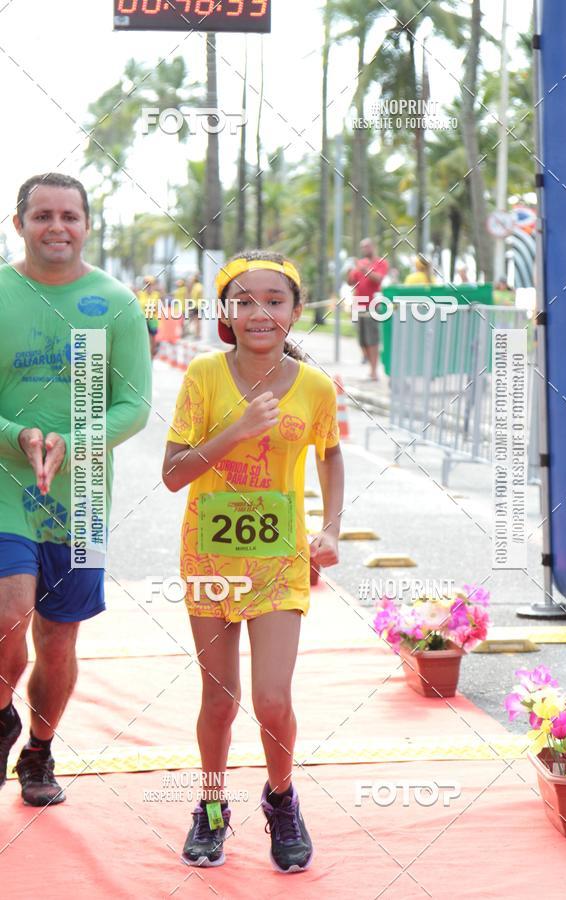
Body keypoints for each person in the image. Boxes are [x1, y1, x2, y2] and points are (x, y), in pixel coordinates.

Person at [162, 249, 344, 872]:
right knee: (219, 698)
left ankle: (281, 797)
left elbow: (331, 452)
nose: (259, 312)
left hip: (279, 560)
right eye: (244, 301)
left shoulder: (315, 385)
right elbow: (171, 474)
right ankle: (211, 806)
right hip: (210, 558)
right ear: (226, 313)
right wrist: (235, 431)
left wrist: (332, 526)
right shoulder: (204, 377)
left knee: (271, 697)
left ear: (296, 310)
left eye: (275, 299)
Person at [0, 173, 152, 806]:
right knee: (9, 617)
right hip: (6, 484)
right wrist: (20, 437)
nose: (56, 226)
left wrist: (76, 442)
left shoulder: (114, 301)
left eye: (69, 215)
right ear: (19, 224)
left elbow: (134, 404)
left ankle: (38, 750)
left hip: (83, 493)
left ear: (87, 226)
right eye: (42, 216)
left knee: (58, 637)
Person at [347, 238, 388, 381]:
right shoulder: (360, 263)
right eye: (362, 247)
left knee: (372, 339)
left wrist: (366, 270)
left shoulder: (380, 263)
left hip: (373, 305)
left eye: (367, 246)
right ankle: (371, 367)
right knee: (362, 340)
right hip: (359, 303)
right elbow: (351, 281)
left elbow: (379, 279)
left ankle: (374, 371)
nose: (365, 249)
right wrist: (349, 270)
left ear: (373, 247)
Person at [137, 274, 161, 357]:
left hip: (152, 320)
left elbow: (157, 307)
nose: (148, 286)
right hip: (142, 320)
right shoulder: (140, 294)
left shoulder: (157, 295)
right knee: (143, 340)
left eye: (150, 284)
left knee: (152, 340)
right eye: (146, 283)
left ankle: (151, 358)